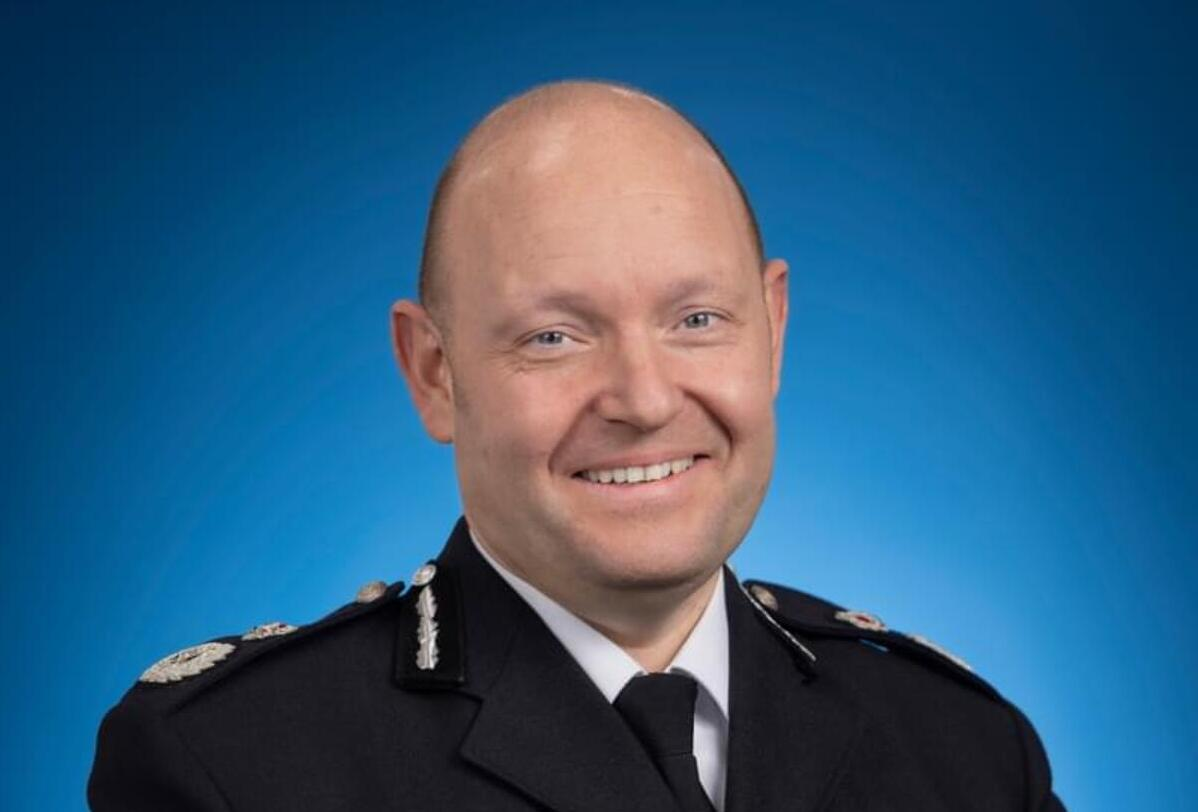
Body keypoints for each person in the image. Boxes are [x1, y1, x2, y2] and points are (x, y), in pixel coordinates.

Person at [88, 79, 1064, 811]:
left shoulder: (967, 752)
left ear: (772, 329)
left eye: (697, 319)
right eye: (554, 336)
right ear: (433, 372)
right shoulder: (237, 767)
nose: (643, 399)